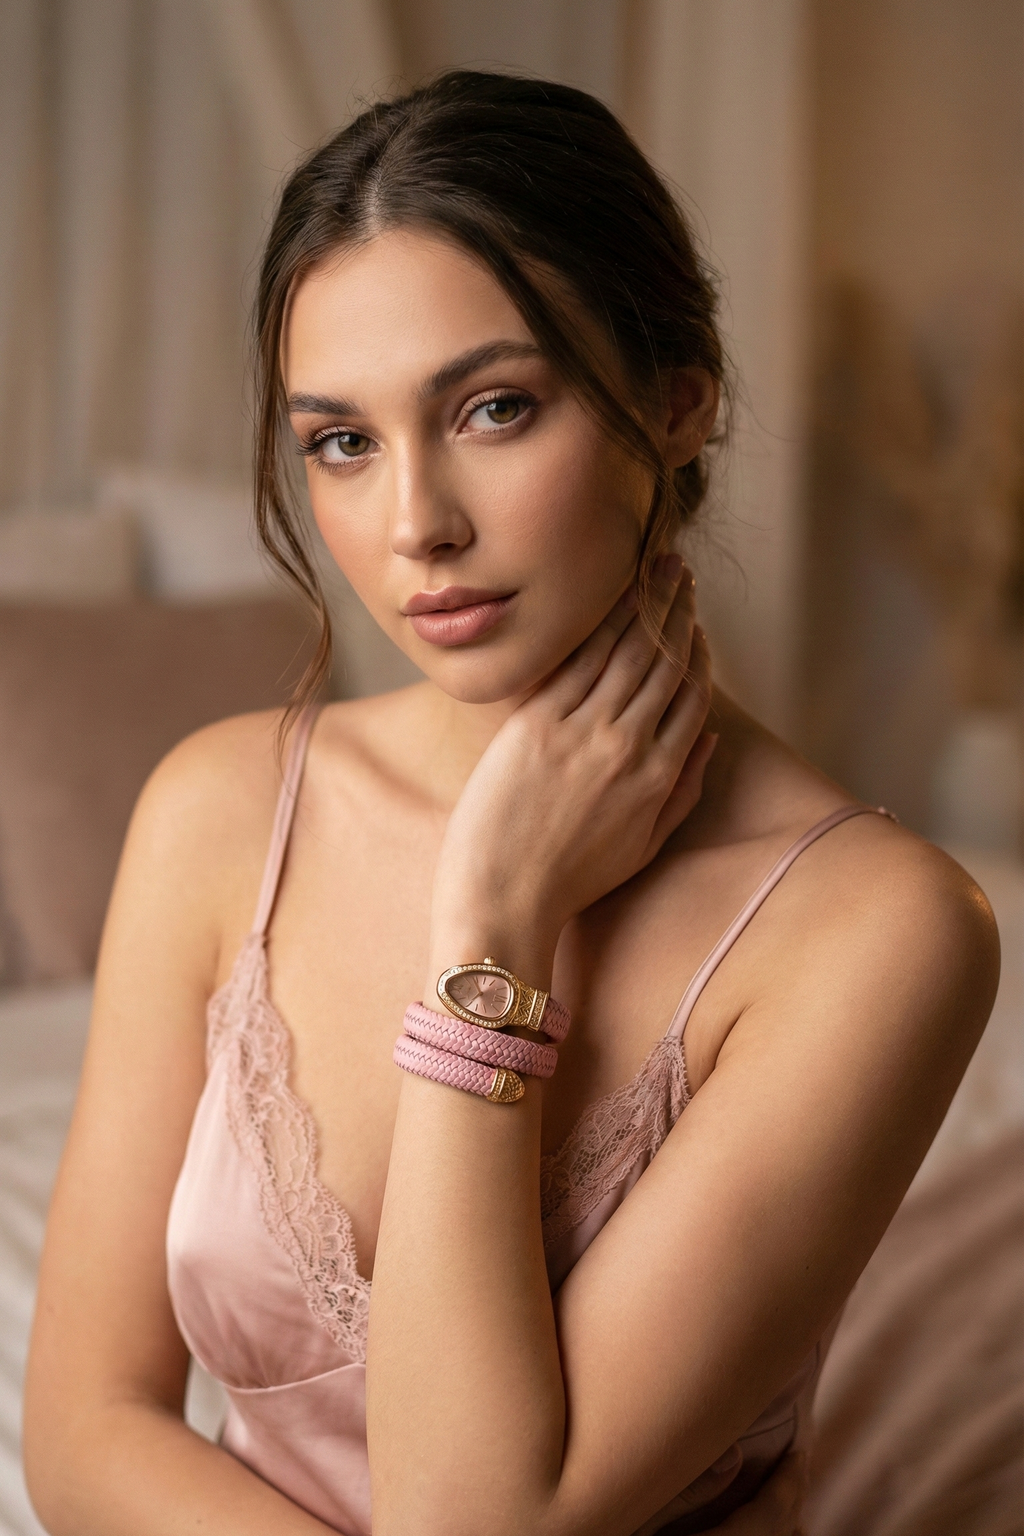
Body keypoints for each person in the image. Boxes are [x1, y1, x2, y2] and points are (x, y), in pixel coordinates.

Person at [24, 72, 998, 1536]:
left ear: (678, 400)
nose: (416, 522)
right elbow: (85, 1430)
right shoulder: (220, 811)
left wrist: (498, 917)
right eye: (341, 441)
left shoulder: (882, 931)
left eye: (492, 407)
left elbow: (484, 1520)